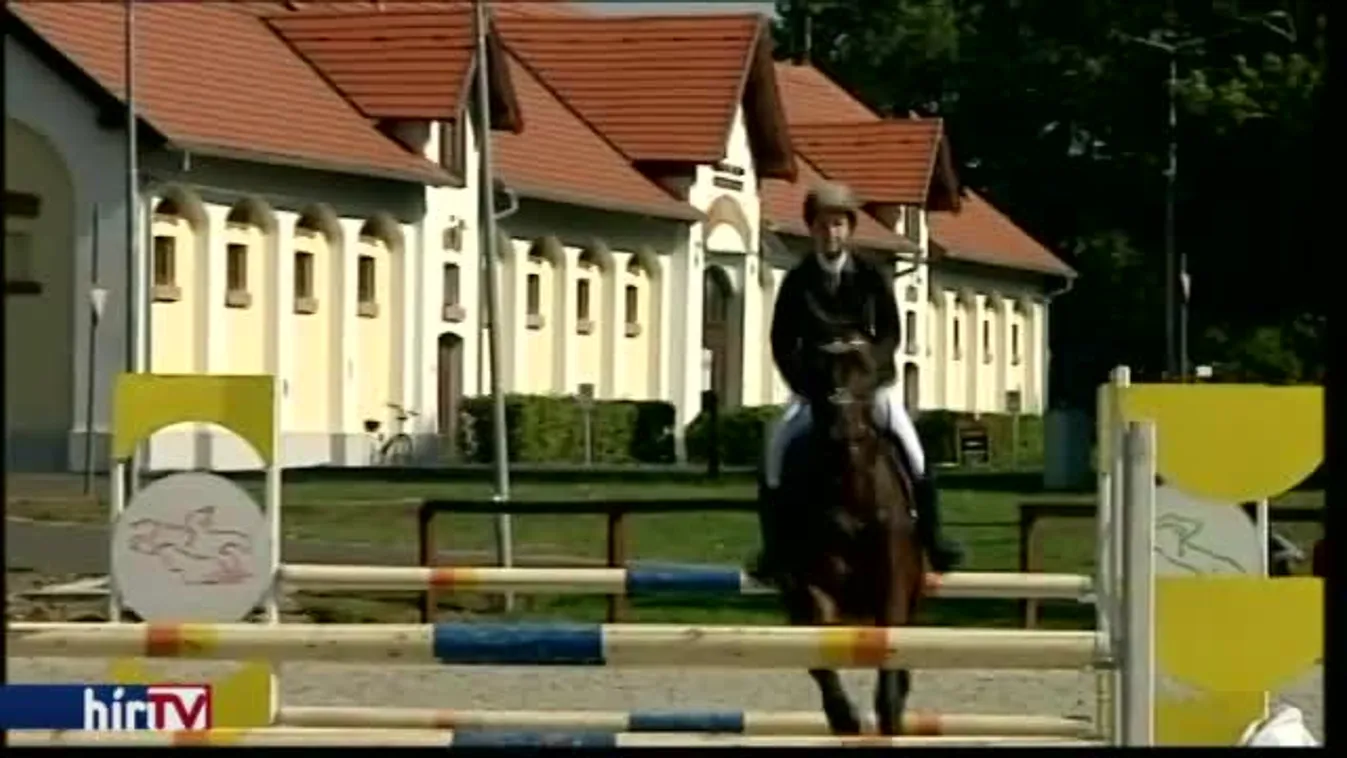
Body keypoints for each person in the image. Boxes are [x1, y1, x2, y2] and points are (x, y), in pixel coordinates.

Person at [752, 181, 964, 580]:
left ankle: (934, 540)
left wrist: (866, 370)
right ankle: (774, 549)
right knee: (775, 452)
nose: (830, 233)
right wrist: (804, 381)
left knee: (913, 450)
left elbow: (890, 334)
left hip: (870, 387)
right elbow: (782, 342)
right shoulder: (797, 280)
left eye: (837, 225)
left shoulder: (871, 276)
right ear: (812, 229)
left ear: (849, 229)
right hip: (816, 389)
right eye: (822, 225)